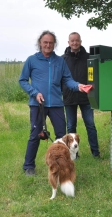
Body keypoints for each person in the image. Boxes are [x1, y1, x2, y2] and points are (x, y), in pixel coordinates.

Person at [19, 30, 86, 176]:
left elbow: (67, 79)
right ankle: (29, 166)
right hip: (38, 105)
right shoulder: (32, 60)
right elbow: (22, 80)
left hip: (56, 104)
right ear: (40, 43)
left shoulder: (59, 61)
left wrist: (78, 86)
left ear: (54, 44)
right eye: (45, 42)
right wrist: (34, 93)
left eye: (51, 43)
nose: (48, 45)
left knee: (62, 136)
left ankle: (64, 165)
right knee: (35, 135)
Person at [62, 32, 100, 158]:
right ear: (68, 43)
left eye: (77, 40)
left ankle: (96, 153)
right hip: (69, 97)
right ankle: (73, 155)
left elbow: (95, 76)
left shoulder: (89, 58)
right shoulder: (63, 59)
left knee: (90, 124)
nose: (75, 43)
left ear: (80, 41)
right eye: (72, 41)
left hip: (86, 98)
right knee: (71, 126)